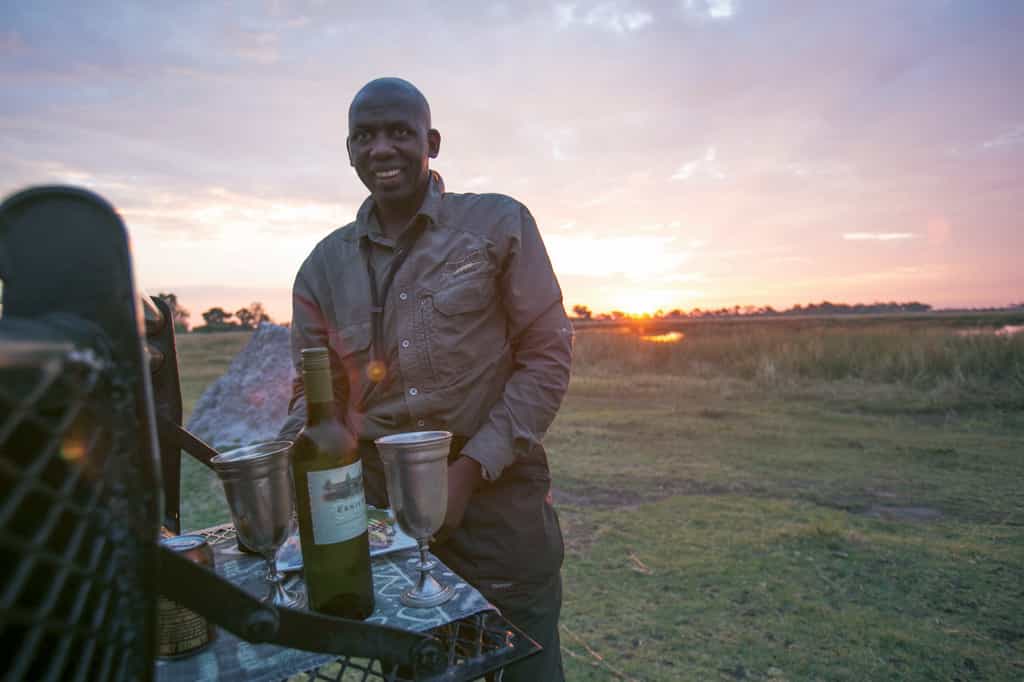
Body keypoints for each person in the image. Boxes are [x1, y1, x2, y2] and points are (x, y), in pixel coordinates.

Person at [279, 77, 573, 681]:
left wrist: (466, 473)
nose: (381, 149)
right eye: (365, 136)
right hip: (382, 522)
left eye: (399, 133)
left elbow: (547, 358)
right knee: (416, 668)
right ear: (349, 151)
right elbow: (313, 398)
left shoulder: (497, 224)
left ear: (431, 142)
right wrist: (287, 477)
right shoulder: (321, 268)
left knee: (526, 666)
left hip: (497, 508)